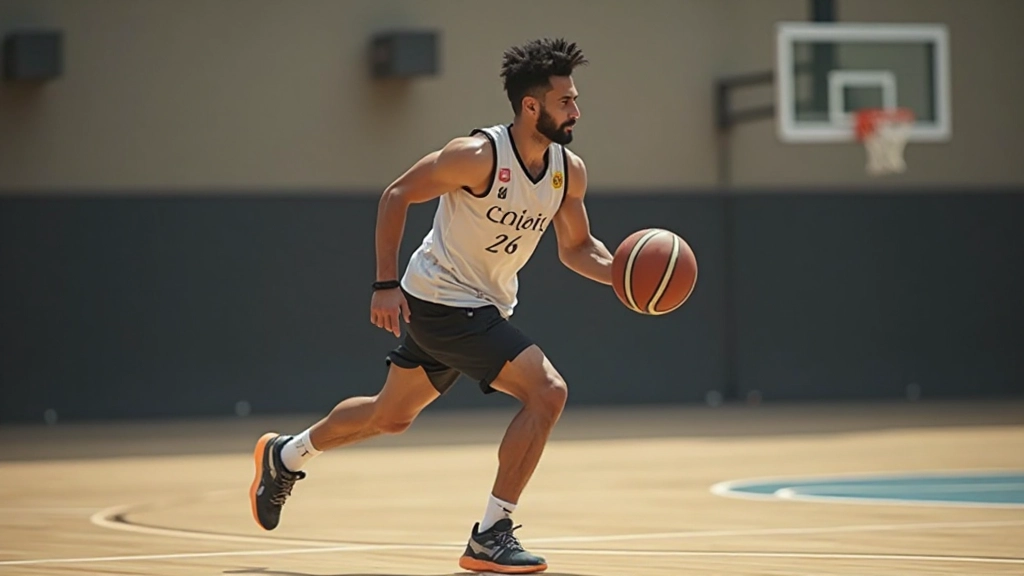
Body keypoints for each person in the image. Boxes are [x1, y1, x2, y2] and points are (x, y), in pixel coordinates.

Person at [249, 37, 614, 575]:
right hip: (444, 301)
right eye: (565, 102)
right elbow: (397, 194)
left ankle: (285, 455)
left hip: (482, 305)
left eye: (575, 100)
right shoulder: (478, 156)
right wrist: (384, 283)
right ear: (530, 106)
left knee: (390, 415)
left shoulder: (567, 171)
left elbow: (578, 248)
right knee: (548, 392)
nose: (576, 111)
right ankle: (491, 534)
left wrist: (622, 277)